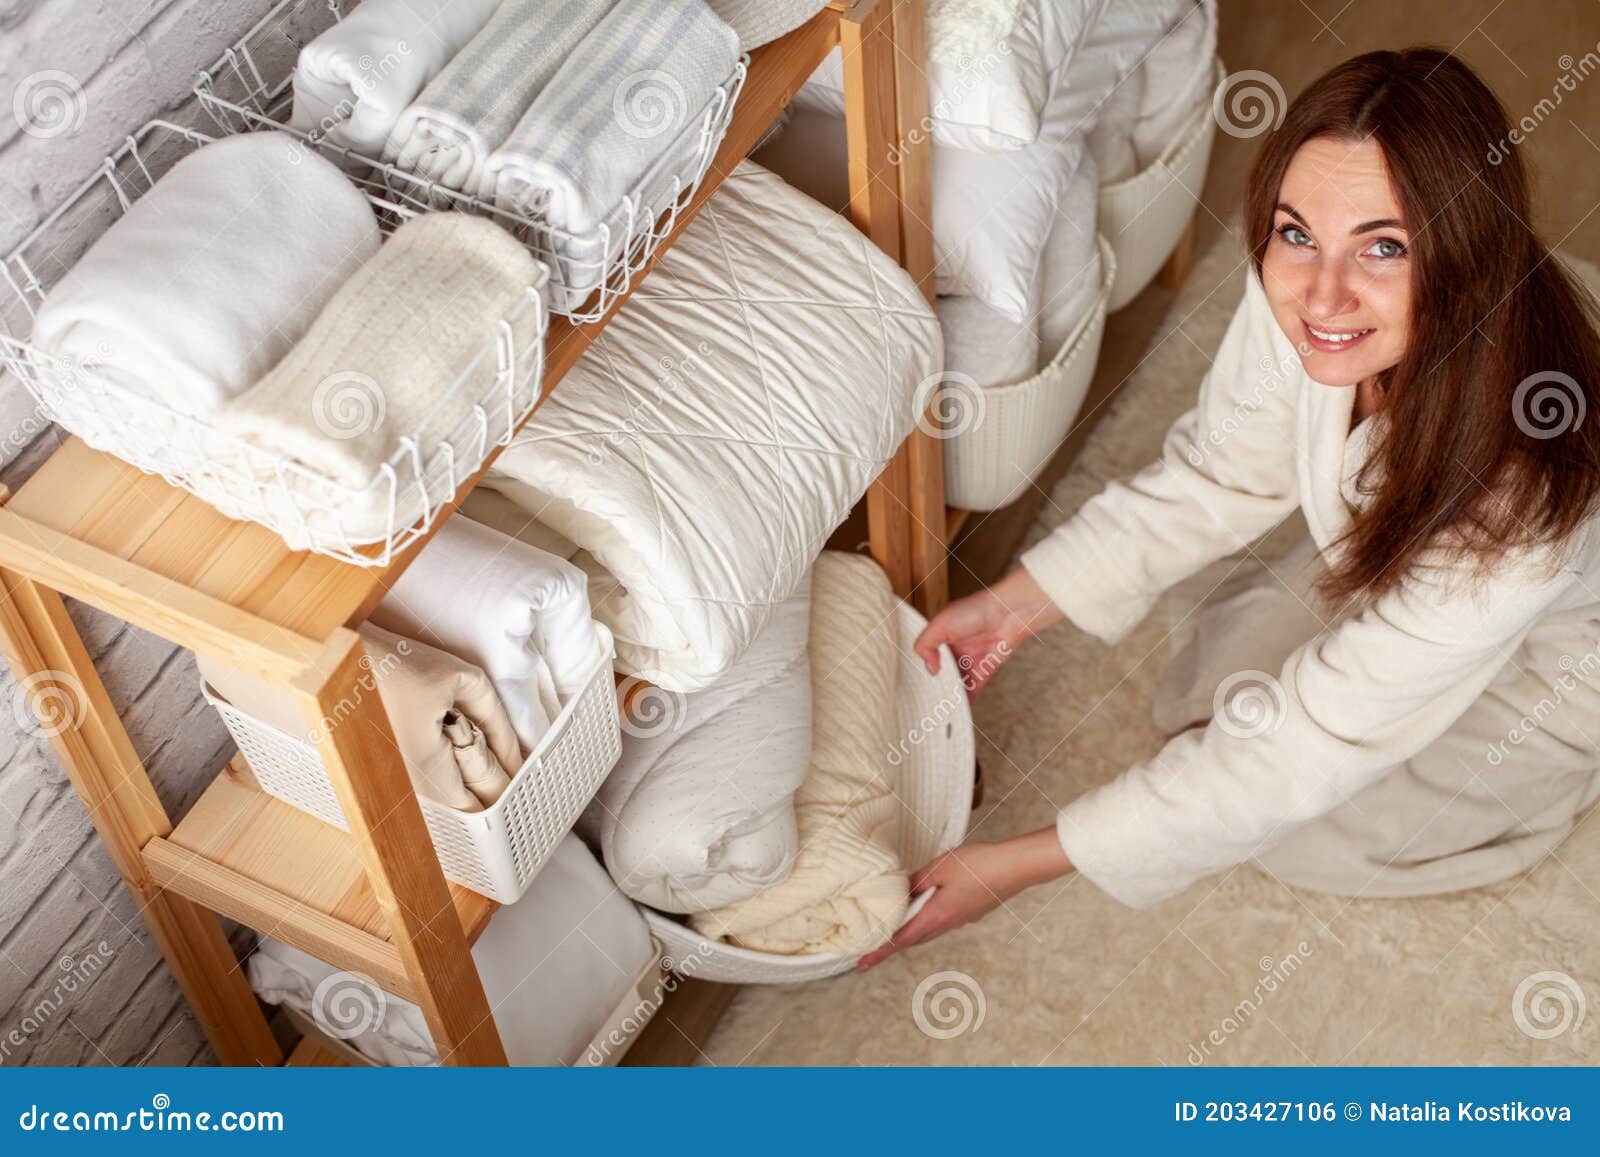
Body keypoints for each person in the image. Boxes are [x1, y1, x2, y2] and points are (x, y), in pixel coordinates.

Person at [860, 47, 1600, 970]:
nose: (1323, 296)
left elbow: (1304, 748)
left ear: (1468, 258)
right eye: (1297, 234)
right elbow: (1222, 472)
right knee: (1208, 691)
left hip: (1556, 660)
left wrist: (1014, 865)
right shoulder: (1302, 283)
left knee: (1298, 820)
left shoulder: (1522, 504)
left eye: (1386, 246)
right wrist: (1016, 601)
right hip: (1438, 562)